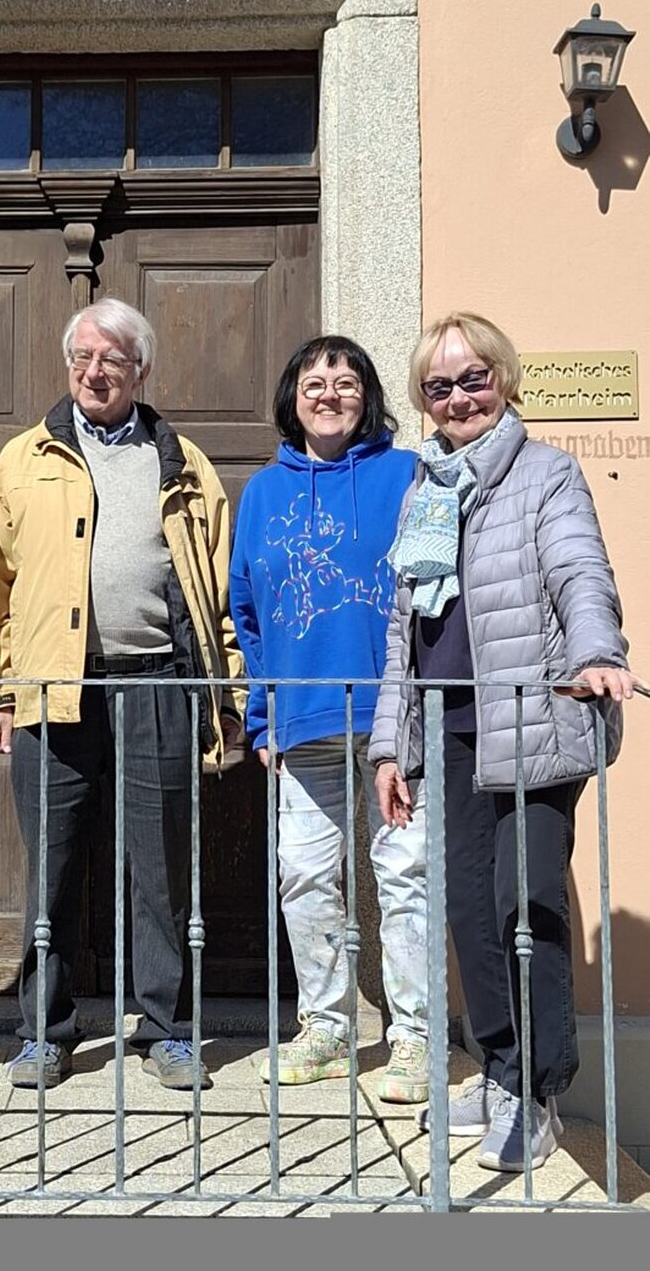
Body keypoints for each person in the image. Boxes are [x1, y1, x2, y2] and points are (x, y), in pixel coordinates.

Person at [370, 311, 639, 1172]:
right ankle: (498, 1066)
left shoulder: (546, 475)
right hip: (447, 731)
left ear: (505, 379)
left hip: (533, 721)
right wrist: (389, 748)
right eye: (439, 386)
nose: (458, 398)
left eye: (473, 378)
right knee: (471, 917)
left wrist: (599, 653)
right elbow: (399, 636)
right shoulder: (423, 493)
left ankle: (540, 1088)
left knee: (528, 902)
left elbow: (579, 571)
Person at [0, 296, 244, 1092]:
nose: (96, 373)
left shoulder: (183, 461)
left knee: (160, 870)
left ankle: (167, 1029)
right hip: (54, 693)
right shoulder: (26, 458)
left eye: (113, 362)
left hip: (157, 682)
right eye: (84, 359)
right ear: (68, 365)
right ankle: (44, 1032)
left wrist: (222, 694)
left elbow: (214, 588)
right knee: (50, 870)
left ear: (140, 372)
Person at [229, 336, 428, 1103]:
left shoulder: (405, 476)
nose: (330, 392)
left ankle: (411, 1037)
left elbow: (431, 590)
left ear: (368, 395)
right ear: (292, 397)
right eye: (315, 381)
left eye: (346, 382)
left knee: (404, 875)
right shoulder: (262, 495)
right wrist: (260, 715)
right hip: (301, 719)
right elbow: (245, 613)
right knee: (306, 876)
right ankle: (329, 1028)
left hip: (394, 722)